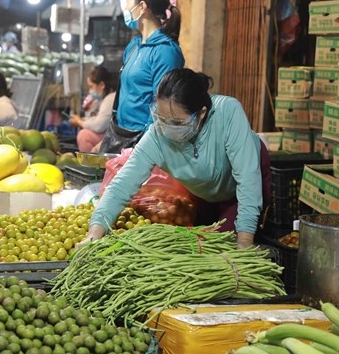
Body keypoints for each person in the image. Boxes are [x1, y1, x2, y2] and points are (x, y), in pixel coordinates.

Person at [81, 68, 272, 248]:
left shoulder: (227, 113)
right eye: (161, 118)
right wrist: (96, 229)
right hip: (204, 191)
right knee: (199, 242)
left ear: (201, 114)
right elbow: (123, 183)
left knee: (226, 244)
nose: (167, 127)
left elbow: (248, 180)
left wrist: (245, 239)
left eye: (177, 122)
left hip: (241, 187)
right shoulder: (157, 135)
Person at [98, 0, 184, 153]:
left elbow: (162, 108)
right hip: (120, 136)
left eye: (127, 0)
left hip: (141, 144)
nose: (125, 7)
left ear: (142, 7)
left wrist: (141, 152)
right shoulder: (134, 46)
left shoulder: (166, 52)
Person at [69, 67, 116, 152]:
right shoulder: (103, 98)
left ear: (102, 85)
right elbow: (97, 118)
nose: (90, 91)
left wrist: (79, 122)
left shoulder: (110, 99)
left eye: (91, 86)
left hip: (114, 139)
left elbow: (99, 126)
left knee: (84, 136)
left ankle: (89, 164)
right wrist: (83, 119)